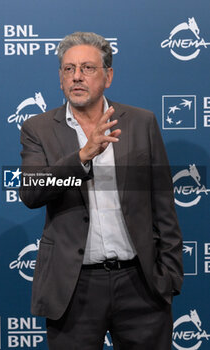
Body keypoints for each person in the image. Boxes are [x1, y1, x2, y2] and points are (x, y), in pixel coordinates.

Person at [19, 31, 183, 350]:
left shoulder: (141, 123)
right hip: (73, 287)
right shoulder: (37, 129)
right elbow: (31, 191)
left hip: (141, 284)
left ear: (108, 76)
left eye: (87, 68)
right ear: (60, 77)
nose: (77, 76)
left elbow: (163, 203)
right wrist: (82, 156)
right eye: (68, 69)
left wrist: (168, 276)